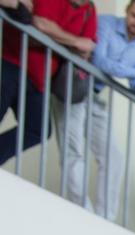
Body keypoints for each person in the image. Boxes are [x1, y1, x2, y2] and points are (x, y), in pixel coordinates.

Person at [50, 0, 135, 221]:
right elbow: (100, 61)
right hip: (74, 87)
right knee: (73, 151)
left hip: (95, 96)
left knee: (113, 157)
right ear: (126, 12)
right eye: (134, 16)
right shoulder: (106, 23)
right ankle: (83, 210)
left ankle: (105, 218)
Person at [0, 0, 96, 166]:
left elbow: (86, 48)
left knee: (39, 129)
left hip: (40, 79)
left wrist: (53, 35)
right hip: (13, 63)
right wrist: (73, 42)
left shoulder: (89, 10)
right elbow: (40, 23)